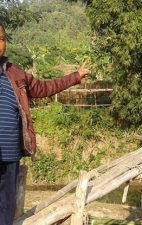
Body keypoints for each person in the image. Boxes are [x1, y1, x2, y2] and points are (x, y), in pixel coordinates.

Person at [0, 22, 91, 225]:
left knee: (6, 208)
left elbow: (43, 88)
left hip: (10, 155)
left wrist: (75, 76)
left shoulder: (16, 74)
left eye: (1, 39)